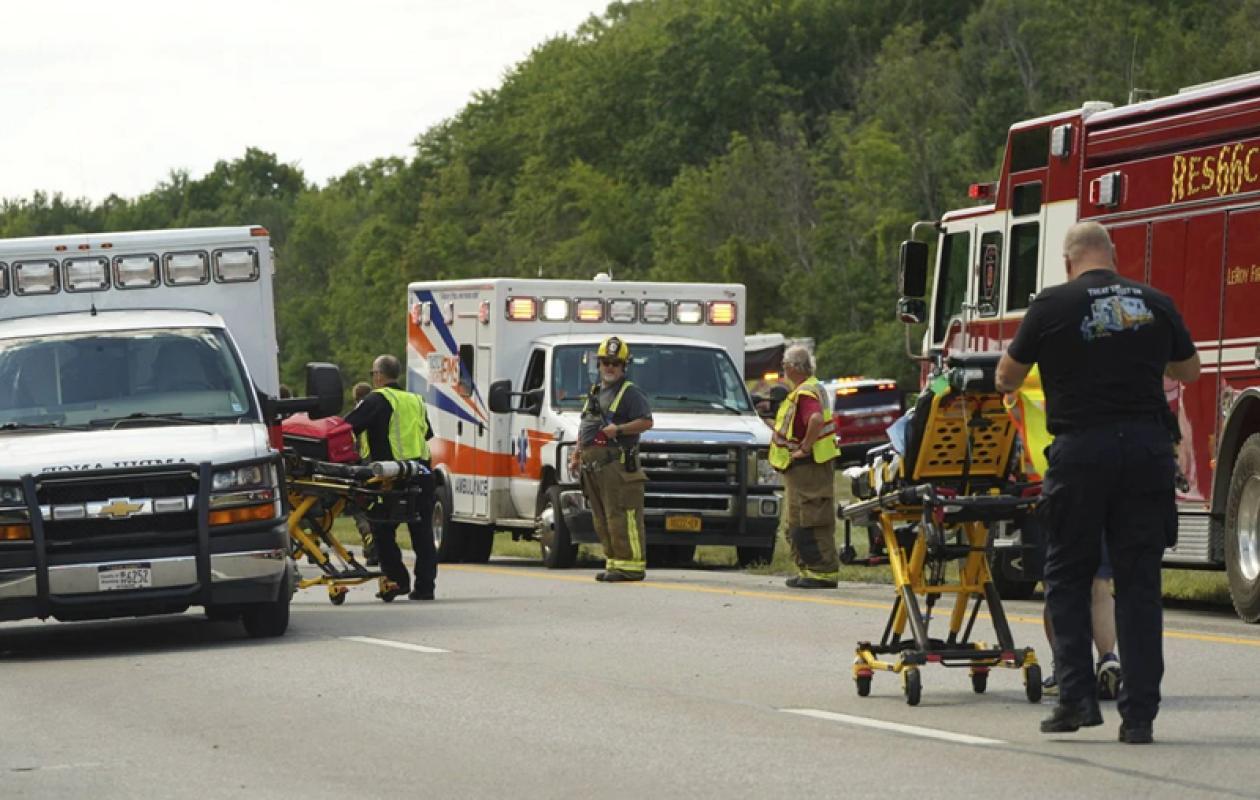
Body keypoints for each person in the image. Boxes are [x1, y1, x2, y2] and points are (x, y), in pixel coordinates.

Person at [996, 221, 1200, 744]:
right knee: (1139, 584)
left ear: (1068, 262)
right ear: (1112, 256)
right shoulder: (1154, 301)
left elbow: (1007, 376)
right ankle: (1139, 717)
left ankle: (1076, 699)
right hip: (1145, 451)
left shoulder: (1051, 305)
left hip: (1082, 452)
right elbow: (1190, 369)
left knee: (1067, 576)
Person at [344, 354, 438, 602]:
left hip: (390, 476)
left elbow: (348, 426)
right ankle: (425, 587)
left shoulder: (377, 399)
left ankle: (397, 580)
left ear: (378, 375)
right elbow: (427, 433)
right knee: (422, 532)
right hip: (421, 472)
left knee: (382, 529)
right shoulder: (416, 400)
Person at [568, 336, 654, 582]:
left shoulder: (630, 392)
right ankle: (615, 563)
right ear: (598, 364)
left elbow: (647, 422)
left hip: (616, 464)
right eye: (605, 362)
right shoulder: (596, 391)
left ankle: (631, 566)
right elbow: (585, 426)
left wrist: (619, 430)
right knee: (602, 516)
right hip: (593, 465)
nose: (610, 367)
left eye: (615, 363)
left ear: (624, 366)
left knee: (622, 515)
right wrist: (576, 454)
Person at [768, 345, 840, 589]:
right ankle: (809, 569)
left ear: (792, 367)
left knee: (808, 519)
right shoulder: (810, 388)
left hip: (809, 466)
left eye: (784, 366)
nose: (784, 371)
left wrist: (805, 448)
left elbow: (816, 419)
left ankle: (820, 571)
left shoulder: (805, 393)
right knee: (799, 520)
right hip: (803, 467)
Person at [1041, 544, 1121, 701]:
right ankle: (1107, 660)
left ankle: (1065, 668)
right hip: (1098, 522)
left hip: (1058, 523)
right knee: (1099, 586)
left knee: (1056, 588)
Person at [350, 380, 378, 567]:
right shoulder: (378, 409)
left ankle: (370, 546)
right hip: (380, 465)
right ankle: (376, 545)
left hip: (364, 466)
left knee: (360, 511)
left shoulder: (359, 414)